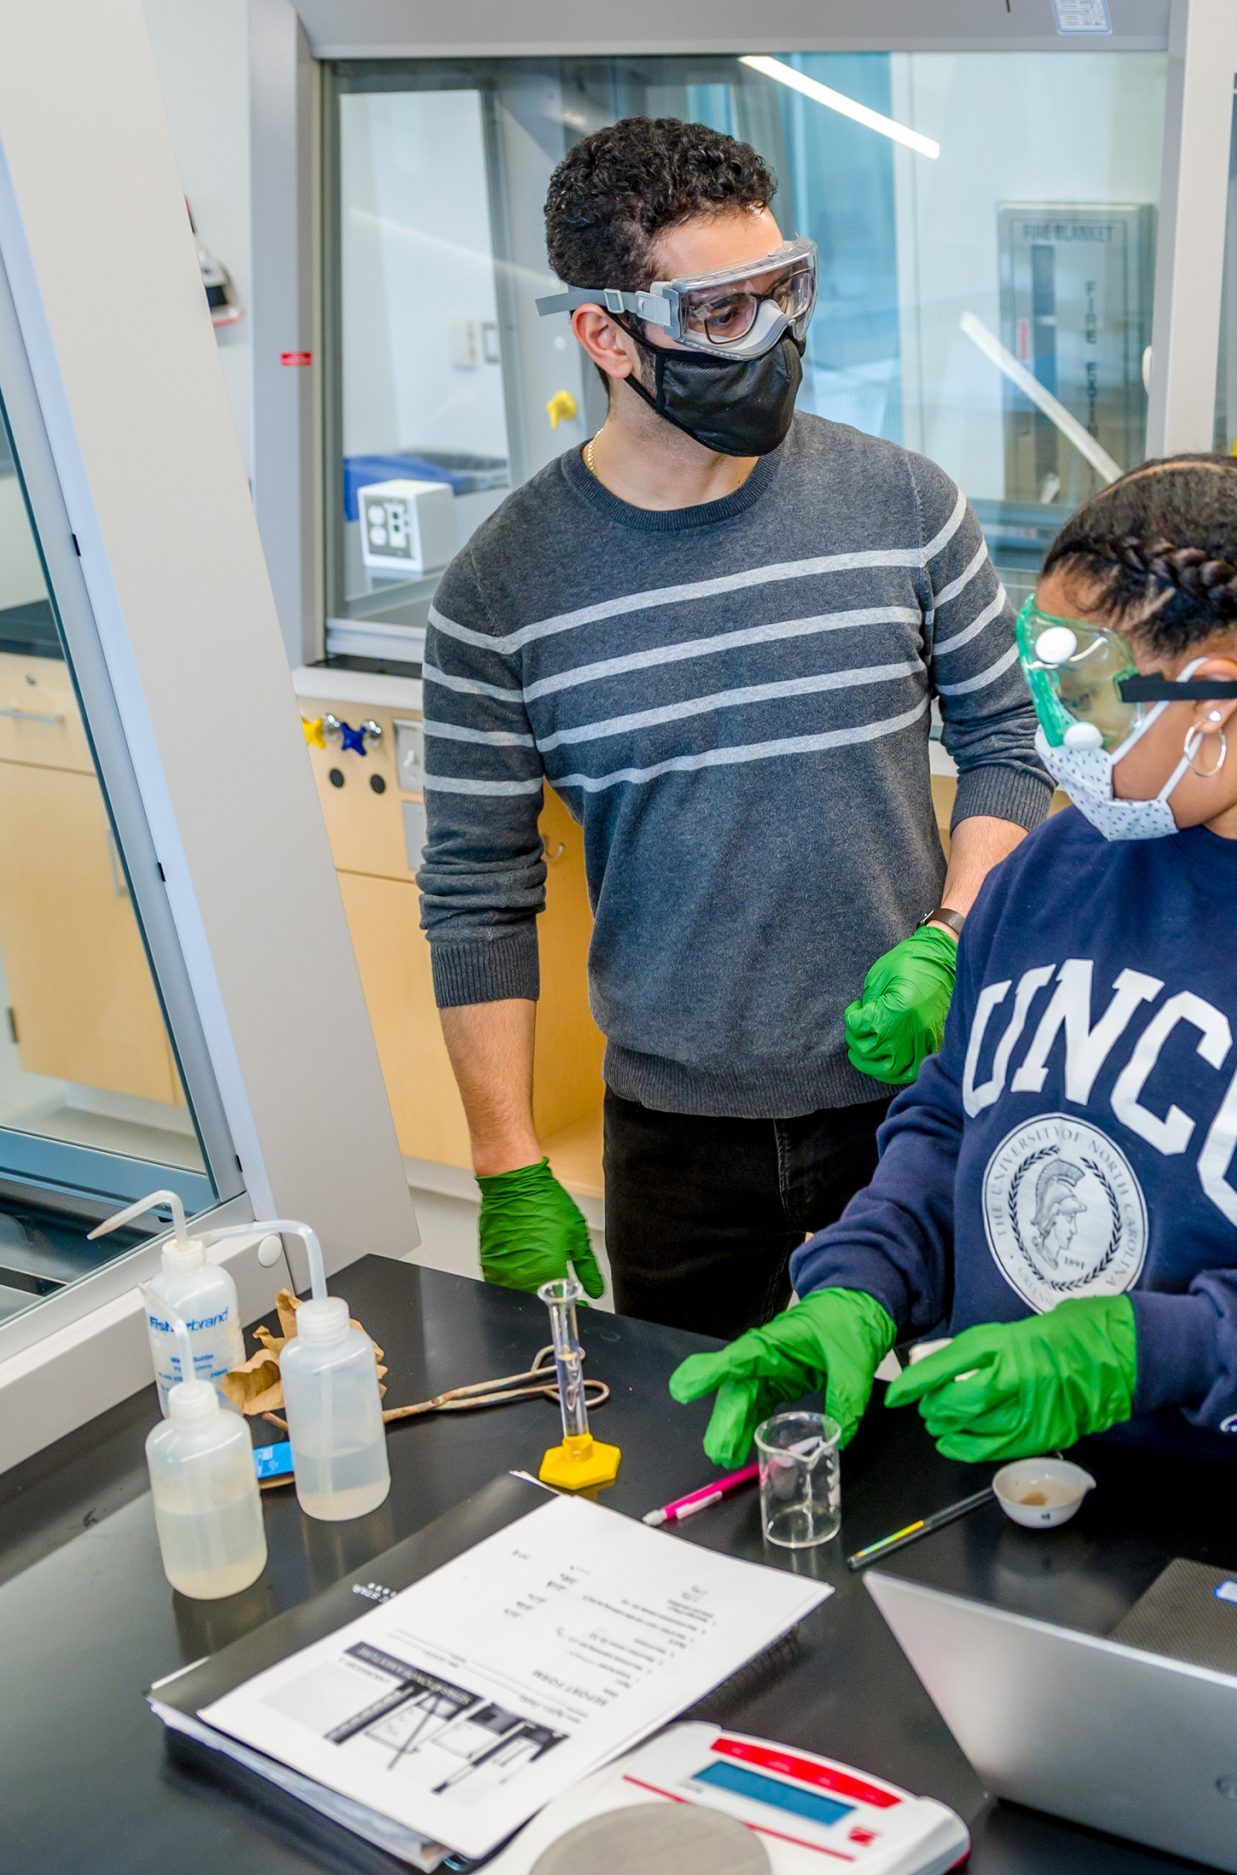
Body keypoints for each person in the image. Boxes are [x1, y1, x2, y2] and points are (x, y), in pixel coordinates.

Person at [668, 455, 1237, 1507]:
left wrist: (1154, 1354)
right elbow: (951, 1122)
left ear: (1206, 698)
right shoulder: (1053, 872)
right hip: (1007, 1484)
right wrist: (861, 1287)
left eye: (1081, 702)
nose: (1050, 741)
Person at [417, 118, 1050, 1340]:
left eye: (782, 292)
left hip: (914, 1104)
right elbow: (475, 892)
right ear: (604, 333)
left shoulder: (906, 504)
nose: (770, 336)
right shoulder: (503, 589)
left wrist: (953, 937)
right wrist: (504, 1160)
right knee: (694, 1473)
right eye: (719, 312)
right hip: (674, 1146)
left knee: (934, 1465)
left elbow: (1007, 750)